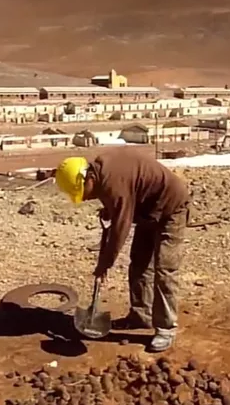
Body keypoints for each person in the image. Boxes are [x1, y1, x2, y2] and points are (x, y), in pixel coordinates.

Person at [55, 147, 190, 352]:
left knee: (164, 269)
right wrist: (111, 209)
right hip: (147, 211)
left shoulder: (111, 182)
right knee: (139, 264)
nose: (84, 198)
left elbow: (121, 229)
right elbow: (126, 198)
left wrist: (104, 264)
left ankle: (166, 328)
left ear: (87, 178)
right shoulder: (101, 173)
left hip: (171, 208)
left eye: (83, 193)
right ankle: (140, 316)